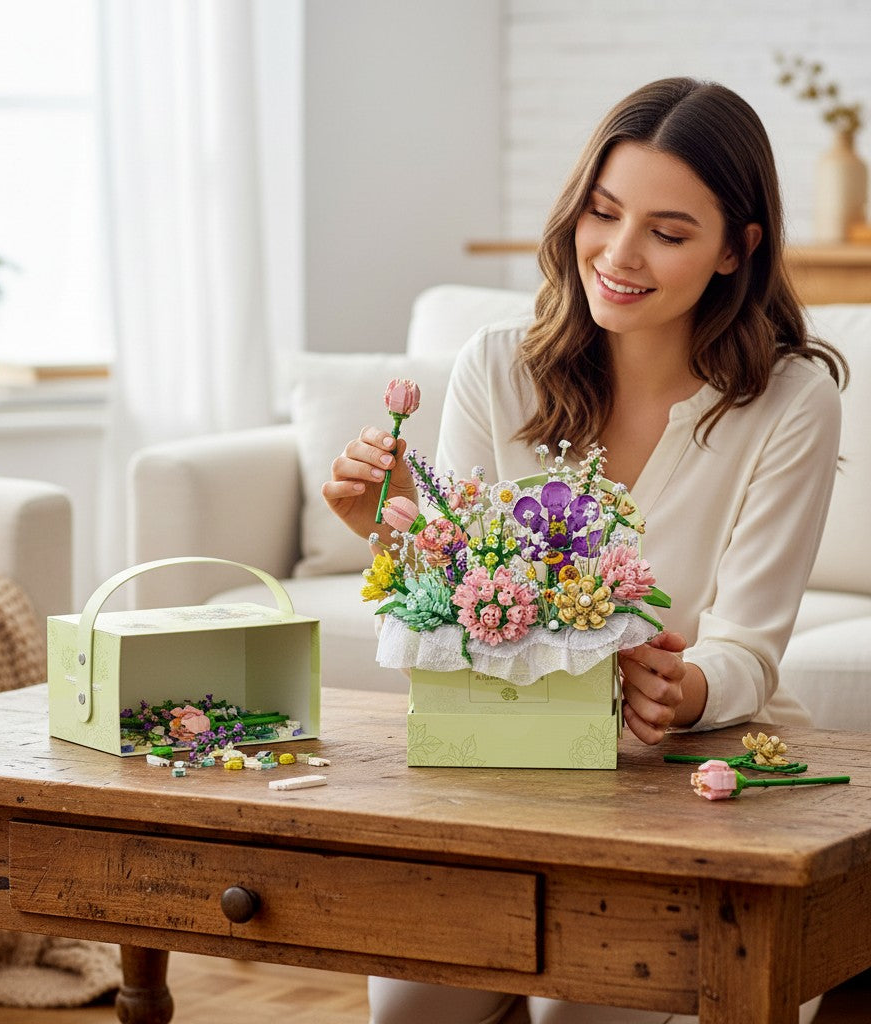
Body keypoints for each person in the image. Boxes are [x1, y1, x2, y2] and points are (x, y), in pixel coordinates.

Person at [323, 77, 846, 1024]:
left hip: (694, 772)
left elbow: (749, 646)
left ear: (739, 249)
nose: (619, 254)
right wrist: (395, 537)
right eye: (602, 213)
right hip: (513, 761)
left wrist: (683, 689)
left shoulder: (791, 398)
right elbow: (466, 603)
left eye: (669, 231)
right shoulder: (498, 364)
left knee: (586, 1010)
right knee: (412, 1009)